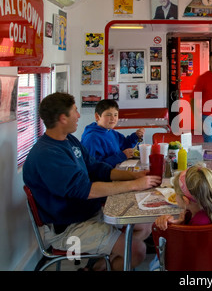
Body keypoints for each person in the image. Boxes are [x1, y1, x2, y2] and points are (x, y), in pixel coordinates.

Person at [23, 92, 161, 271]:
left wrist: (134, 176)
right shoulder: (47, 154)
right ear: (63, 118)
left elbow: (97, 167)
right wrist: (135, 185)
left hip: (88, 212)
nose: (79, 115)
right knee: (137, 251)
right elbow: (84, 190)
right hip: (68, 228)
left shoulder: (69, 140)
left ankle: (98, 264)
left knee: (144, 226)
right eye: (75, 111)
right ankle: (97, 267)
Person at [149, 165, 212, 270]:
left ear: (185, 200)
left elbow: (179, 256)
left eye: (176, 193)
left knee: (155, 263)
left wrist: (170, 230)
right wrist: (180, 223)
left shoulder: (197, 226)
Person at [81, 99, 144, 168]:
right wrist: (121, 156)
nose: (113, 118)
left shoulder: (112, 133)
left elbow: (125, 144)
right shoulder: (92, 138)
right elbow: (93, 166)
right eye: (108, 115)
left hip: (115, 170)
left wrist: (135, 136)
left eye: (115, 115)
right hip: (103, 176)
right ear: (97, 116)